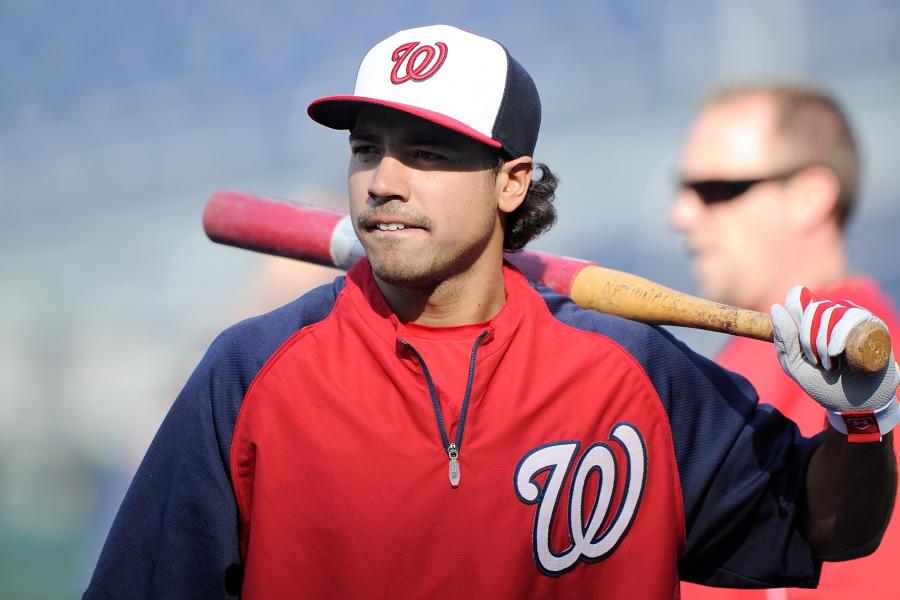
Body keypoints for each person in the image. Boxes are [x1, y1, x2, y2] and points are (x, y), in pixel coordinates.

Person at [84, 26, 898, 599]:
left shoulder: (632, 373)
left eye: (428, 153)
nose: (384, 180)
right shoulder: (252, 371)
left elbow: (828, 529)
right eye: (367, 147)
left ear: (512, 183)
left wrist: (861, 426)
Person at [672, 85, 900, 599]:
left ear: (810, 197)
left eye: (715, 189)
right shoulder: (741, 360)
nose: (681, 216)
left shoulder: (871, 379)